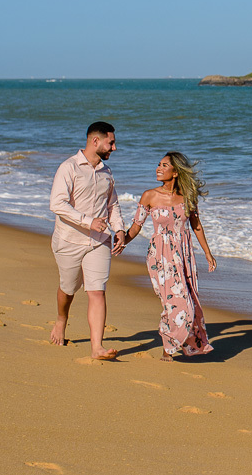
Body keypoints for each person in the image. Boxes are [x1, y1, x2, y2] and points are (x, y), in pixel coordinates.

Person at [119, 151, 216, 361]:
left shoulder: (187, 196)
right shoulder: (149, 196)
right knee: (177, 303)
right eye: (159, 164)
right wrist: (122, 242)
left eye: (164, 166)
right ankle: (171, 343)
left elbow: (196, 226)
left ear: (175, 172)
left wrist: (208, 253)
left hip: (184, 254)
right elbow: (136, 227)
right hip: (160, 256)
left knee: (190, 301)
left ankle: (170, 347)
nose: (158, 168)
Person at [49, 121, 126, 359]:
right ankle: (62, 320)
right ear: (96, 141)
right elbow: (57, 204)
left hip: (98, 241)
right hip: (69, 240)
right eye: (110, 142)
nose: (114, 148)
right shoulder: (69, 167)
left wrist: (119, 229)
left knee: (97, 291)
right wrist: (87, 220)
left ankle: (97, 348)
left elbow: (112, 204)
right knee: (68, 288)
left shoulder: (106, 172)